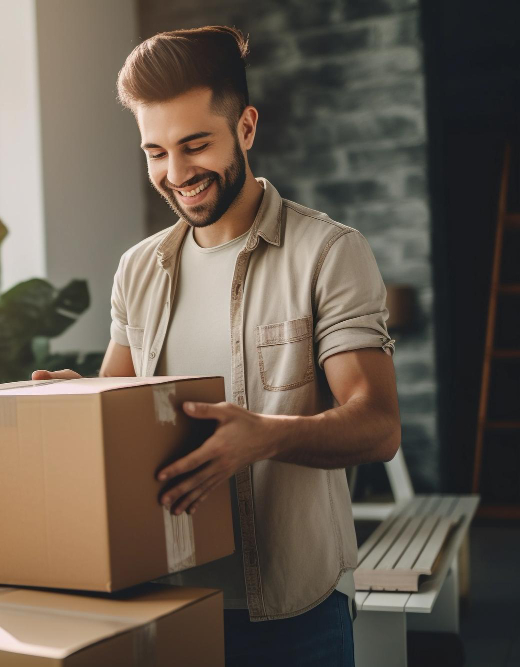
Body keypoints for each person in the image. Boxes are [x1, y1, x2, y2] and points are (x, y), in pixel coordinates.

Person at [32, 26, 400, 667]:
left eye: (195, 145)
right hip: (163, 603)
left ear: (247, 128)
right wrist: (78, 402)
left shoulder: (328, 254)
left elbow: (378, 427)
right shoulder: (137, 270)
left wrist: (267, 435)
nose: (176, 174)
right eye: (155, 152)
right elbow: (121, 407)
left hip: (291, 618)